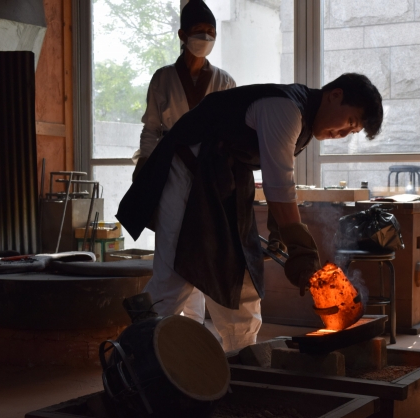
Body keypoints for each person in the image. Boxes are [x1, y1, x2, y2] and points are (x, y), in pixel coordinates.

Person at [118, 73, 383, 352]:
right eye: (349, 123)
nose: (341, 135)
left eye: (350, 133)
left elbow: (276, 176)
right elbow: (279, 186)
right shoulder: (286, 108)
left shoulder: (302, 120)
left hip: (224, 181)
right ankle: (135, 358)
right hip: (189, 173)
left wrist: (280, 231)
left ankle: (243, 356)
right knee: (176, 274)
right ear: (335, 95)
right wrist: (301, 248)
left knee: (242, 276)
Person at [131, 0, 235, 325]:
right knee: (170, 250)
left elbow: (232, 135)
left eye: (211, 33)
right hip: (171, 171)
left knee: (200, 253)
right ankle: (156, 329)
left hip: (208, 176)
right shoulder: (163, 78)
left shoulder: (224, 81)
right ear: (182, 34)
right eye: (199, 32)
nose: (205, 38)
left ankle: (191, 334)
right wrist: (143, 167)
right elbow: (151, 128)